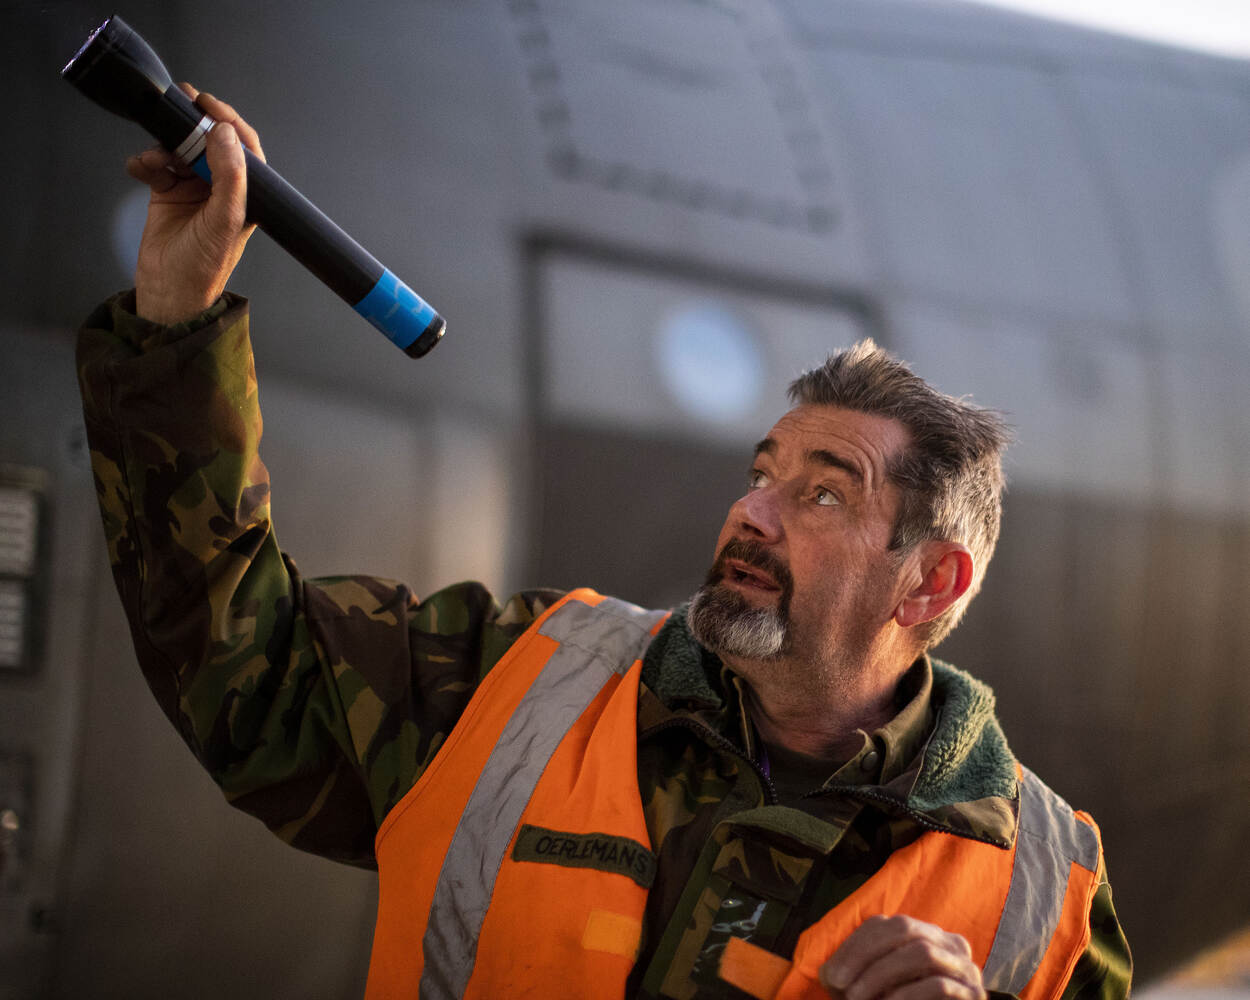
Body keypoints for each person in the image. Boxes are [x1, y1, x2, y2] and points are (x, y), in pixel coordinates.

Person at [76, 89, 1131, 999]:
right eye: (760, 474)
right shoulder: (514, 684)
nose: (752, 514)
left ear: (930, 581)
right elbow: (248, 670)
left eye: (820, 493)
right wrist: (174, 319)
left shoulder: (1048, 903)